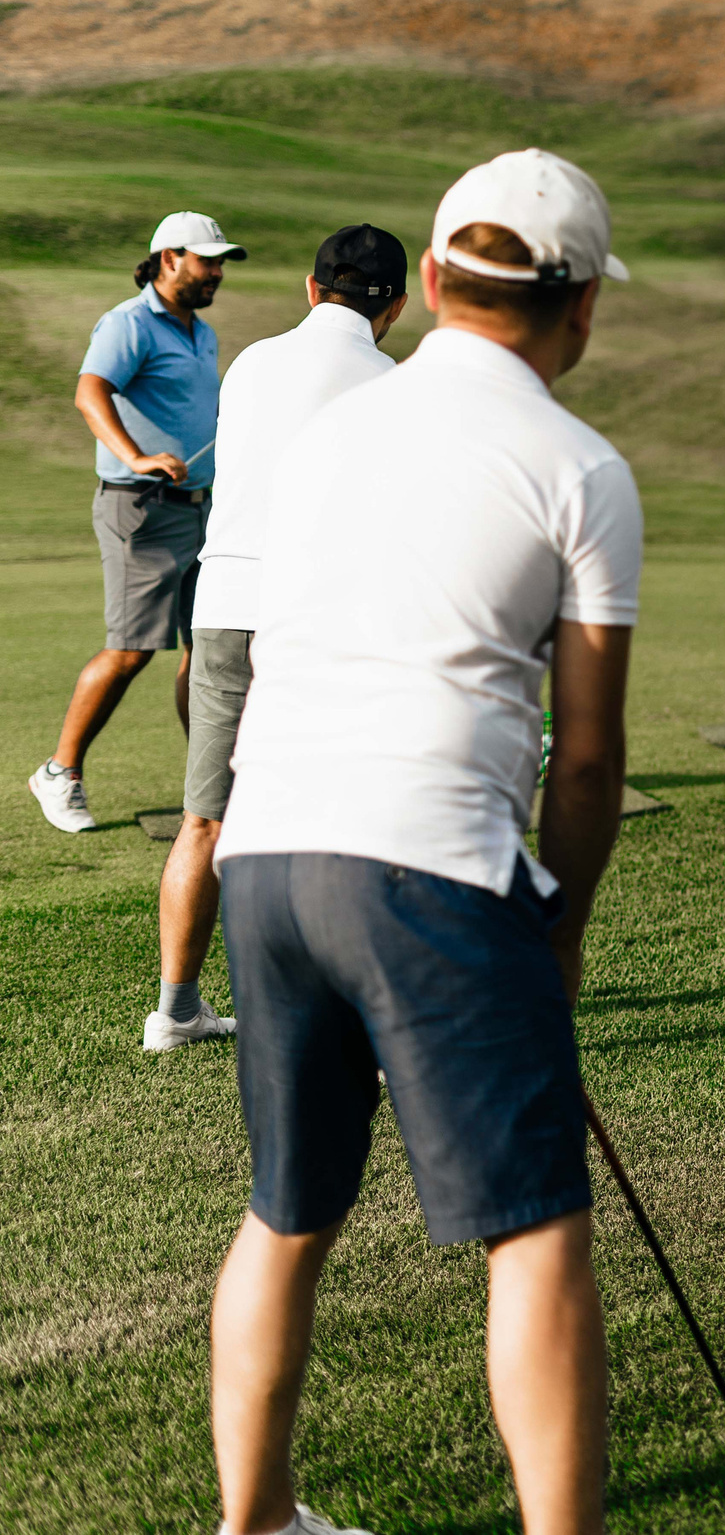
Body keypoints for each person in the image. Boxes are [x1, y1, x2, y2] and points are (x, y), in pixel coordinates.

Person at [207, 151, 637, 1535]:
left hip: (263, 859)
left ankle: (257, 1519)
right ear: (577, 311)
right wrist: (555, 931)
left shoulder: (336, 430)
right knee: (536, 1229)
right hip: (429, 867)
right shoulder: (583, 465)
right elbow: (584, 755)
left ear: (437, 280)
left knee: (288, 1209)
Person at [144, 227, 407, 1056]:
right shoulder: (395, 382)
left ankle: (174, 1012)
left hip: (224, 602)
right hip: (319, 617)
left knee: (204, 823)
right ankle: (332, 1006)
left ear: (310, 287)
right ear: (395, 307)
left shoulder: (250, 361)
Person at [29, 212, 244, 835]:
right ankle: (58, 771)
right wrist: (136, 456)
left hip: (200, 511)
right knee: (130, 651)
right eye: (209, 261)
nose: (218, 273)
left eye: (221, 262)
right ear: (170, 258)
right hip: (140, 507)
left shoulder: (200, 332)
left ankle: (214, 785)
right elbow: (90, 391)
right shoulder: (128, 323)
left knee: (203, 650)